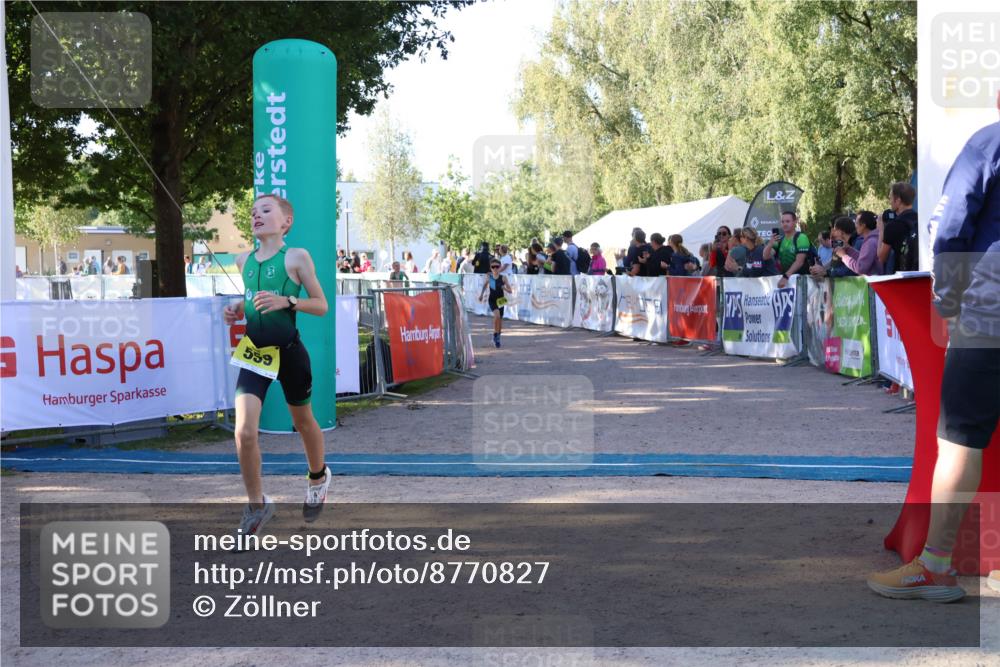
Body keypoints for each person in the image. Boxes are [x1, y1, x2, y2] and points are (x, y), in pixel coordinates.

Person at [867, 103, 999, 602]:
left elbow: (951, 227)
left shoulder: (989, 142)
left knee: (959, 441)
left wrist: (947, 297)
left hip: (989, 313)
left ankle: (936, 567)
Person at [222, 193, 331, 537]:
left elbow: (321, 305)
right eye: (253, 212)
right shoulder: (243, 260)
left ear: (286, 222)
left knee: (303, 422)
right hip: (254, 352)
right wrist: (240, 306)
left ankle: (318, 476)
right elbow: (256, 295)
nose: (257, 215)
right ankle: (256, 506)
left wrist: (288, 300)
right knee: (244, 432)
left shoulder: (296, 257)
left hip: (289, 353)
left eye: (266, 210)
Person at [763, 211, 811, 289]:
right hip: (787, 282)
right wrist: (770, 244)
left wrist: (785, 277)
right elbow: (765, 256)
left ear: (795, 222)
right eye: (783, 222)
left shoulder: (801, 237)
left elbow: (799, 262)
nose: (785, 224)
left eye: (788, 221)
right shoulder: (780, 240)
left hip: (802, 281)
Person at [879, 181, 919, 273]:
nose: (890, 202)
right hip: (921, 274)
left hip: (902, 277)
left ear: (898, 200)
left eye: (890, 198)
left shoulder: (893, 226)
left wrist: (881, 230)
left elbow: (881, 258)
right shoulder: (921, 220)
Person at [478, 258, 513, 348]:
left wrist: (504, 288)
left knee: (500, 321)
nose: (495, 269)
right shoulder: (490, 278)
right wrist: (481, 295)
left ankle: (496, 336)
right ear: (490, 268)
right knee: (496, 316)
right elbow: (485, 285)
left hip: (501, 300)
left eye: (497, 267)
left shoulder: (503, 278)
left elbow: (510, 291)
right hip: (492, 299)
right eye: (493, 267)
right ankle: (495, 333)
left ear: (500, 267)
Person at [836, 210, 883, 276]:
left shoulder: (870, 242)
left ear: (863, 225)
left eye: (856, 223)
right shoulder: (872, 240)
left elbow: (860, 268)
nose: (855, 226)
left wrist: (844, 256)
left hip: (873, 284)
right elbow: (863, 259)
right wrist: (849, 249)